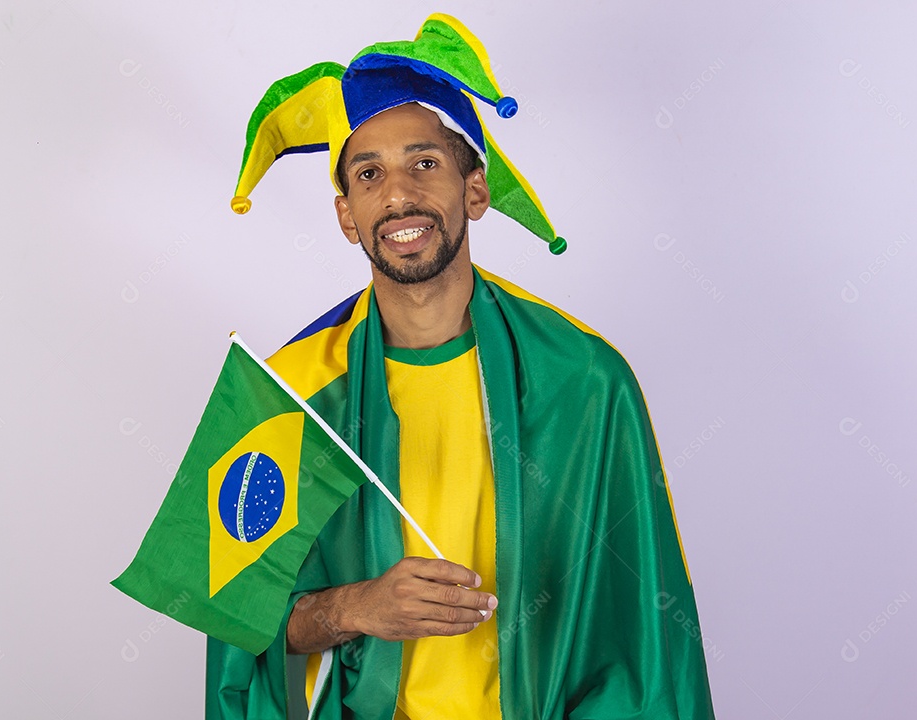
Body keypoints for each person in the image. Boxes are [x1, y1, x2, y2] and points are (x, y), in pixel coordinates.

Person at [207, 14, 715, 720]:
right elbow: (239, 631)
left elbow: (646, 651)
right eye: (369, 173)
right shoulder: (290, 392)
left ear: (475, 189)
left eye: (424, 163)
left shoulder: (587, 384)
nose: (398, 196)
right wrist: (356, 606)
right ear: (347, 215)